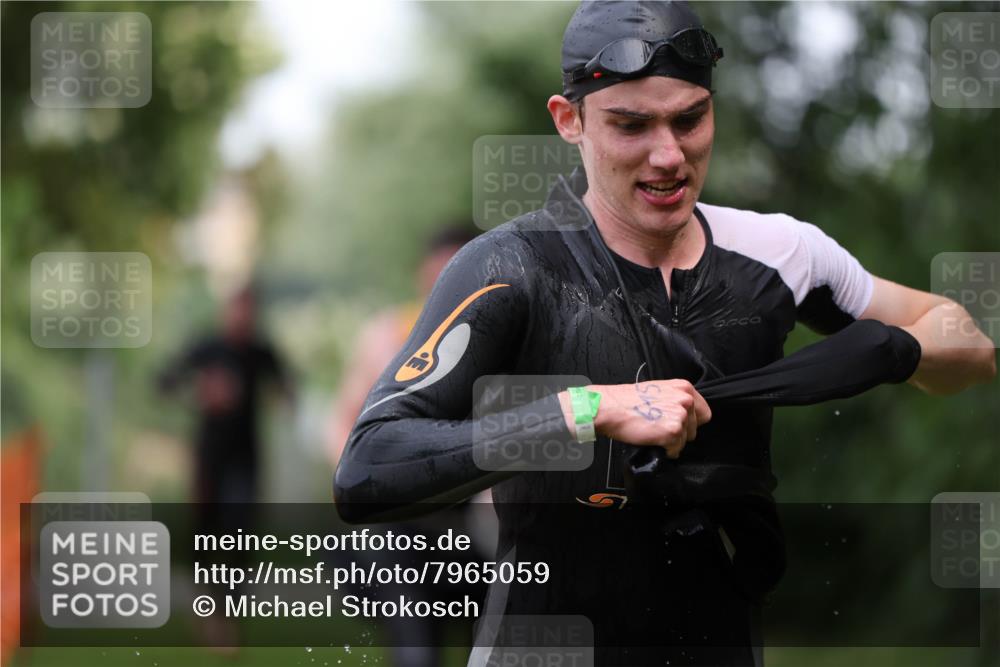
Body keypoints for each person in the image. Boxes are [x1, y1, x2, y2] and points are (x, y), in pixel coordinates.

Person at [334, 2, 996, 665]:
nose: (668, 155)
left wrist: (893, 351)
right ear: (570, 121)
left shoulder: (780, 252)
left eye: (690, 119)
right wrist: (586, 409)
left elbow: (966, 339)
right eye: (631, 125)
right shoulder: (512, 268)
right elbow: (368, 469)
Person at [327, 226, 488, 667]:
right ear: (423, 273)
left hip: (465, 527)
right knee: (417, 647)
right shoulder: (389, 335)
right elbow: (341, 424)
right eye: (443, 271)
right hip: (395, 526)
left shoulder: (500, 341)